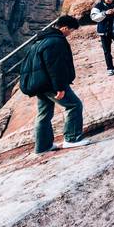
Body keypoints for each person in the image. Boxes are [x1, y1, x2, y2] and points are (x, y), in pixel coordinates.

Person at [32, 15, 91, 153]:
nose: (70, 34)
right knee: (74, 105)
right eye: (70, 30)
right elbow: (55, 66)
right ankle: (72, 138)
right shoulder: (56, 41)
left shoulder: (41, 39)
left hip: (40, 83)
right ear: (64, 28)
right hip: (51, 84)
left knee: (44, 114)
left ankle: (42, 146)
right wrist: (59, 87)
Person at [90, 0, 114, 76]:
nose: (110, 0)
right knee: (107, 51)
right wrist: (105, 13)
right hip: (104, 32)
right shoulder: (98, 6)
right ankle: (110, 68)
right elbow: (93, 17)